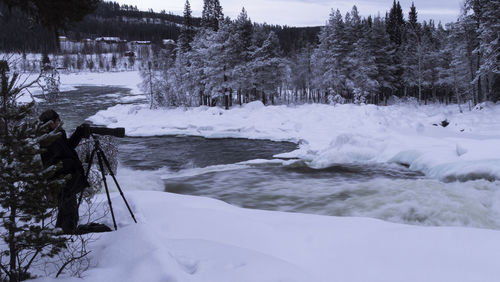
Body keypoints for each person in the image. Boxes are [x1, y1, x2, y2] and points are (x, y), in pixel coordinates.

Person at [39, 109, 90, 234]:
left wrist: (78, 133)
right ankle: (68, 238)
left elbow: (67, 148)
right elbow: (55, 162)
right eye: (57, 121)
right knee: (69, 211)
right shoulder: (48, 140)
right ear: (51, 123)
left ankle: (60, 235)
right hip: (61, 181)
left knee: (65, 210)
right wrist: (73, 163)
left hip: (66, 179)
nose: (59, 122)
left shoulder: (55, 135)